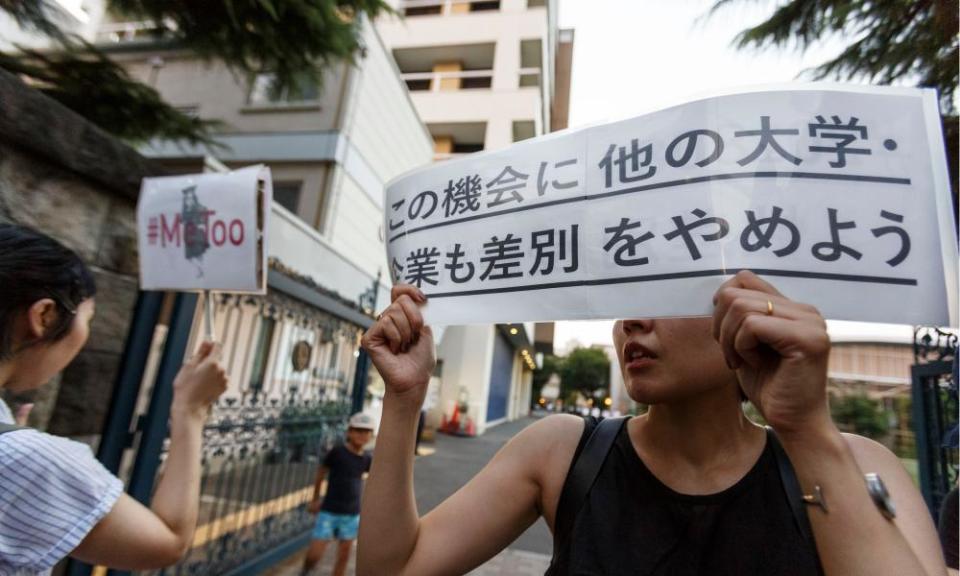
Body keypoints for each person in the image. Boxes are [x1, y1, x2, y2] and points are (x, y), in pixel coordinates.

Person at [357, 275, 949, 576]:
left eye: (664, 290)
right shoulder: (562, 452)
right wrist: (404, 399)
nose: (632, 320)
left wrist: (806, 432)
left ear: (752, 305)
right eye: (625, 294)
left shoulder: (862, 467)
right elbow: (393, 570)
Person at [0, 223, 228, 575]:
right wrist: (190, 410)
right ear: (44, 316)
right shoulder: (31, 459)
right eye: (88, 319)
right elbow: (168, 543)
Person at [303, 412, 375, 576]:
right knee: (315, 555)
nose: (362, 435)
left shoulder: (366, 459)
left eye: (366, 432)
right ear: (349, 432)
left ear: (371, 435)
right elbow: (321, 473)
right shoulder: (337, 453)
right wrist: (315, 500)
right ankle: (305, 570)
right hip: (329, 511)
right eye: (358, 430)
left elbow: (374, 481)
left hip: (351, 514)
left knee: (343, 557)